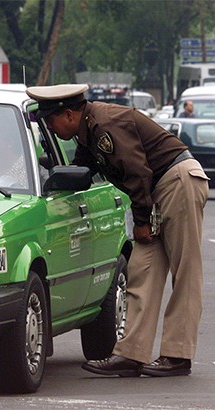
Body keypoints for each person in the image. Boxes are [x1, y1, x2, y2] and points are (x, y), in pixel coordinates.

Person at [26, 84, 209, 378]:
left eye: (50, 121)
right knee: (142, 271)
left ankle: (177, 355)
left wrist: (141, 221)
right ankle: (131, 354)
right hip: (156, 192)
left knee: (185, 270)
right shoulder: (88, 130)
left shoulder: (104, 124)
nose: (50, 126)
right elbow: (80, 170)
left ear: (69, 115)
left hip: (177, 182)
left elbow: (138, 172)